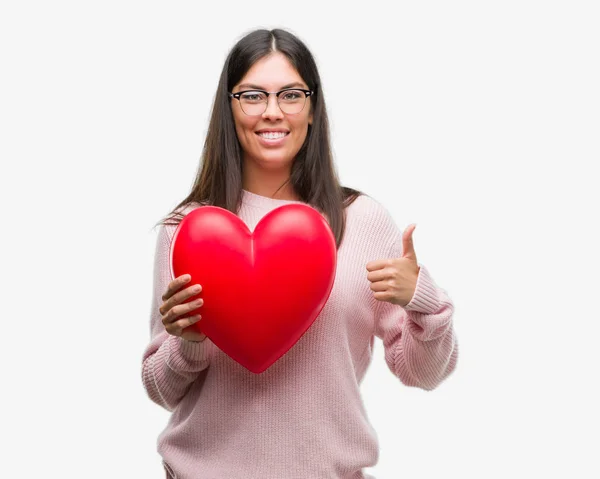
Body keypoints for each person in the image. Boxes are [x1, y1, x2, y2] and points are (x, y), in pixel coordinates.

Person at [141, 28, 459, 479]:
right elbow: (161, 390)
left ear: (312, 109)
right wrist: (188, 343)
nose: (272, 112)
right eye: (252, 95)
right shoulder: (189, 230)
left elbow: (422, 374)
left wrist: (422, 302)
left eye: (291, 94)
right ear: (229, 109)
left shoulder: (362, 222)